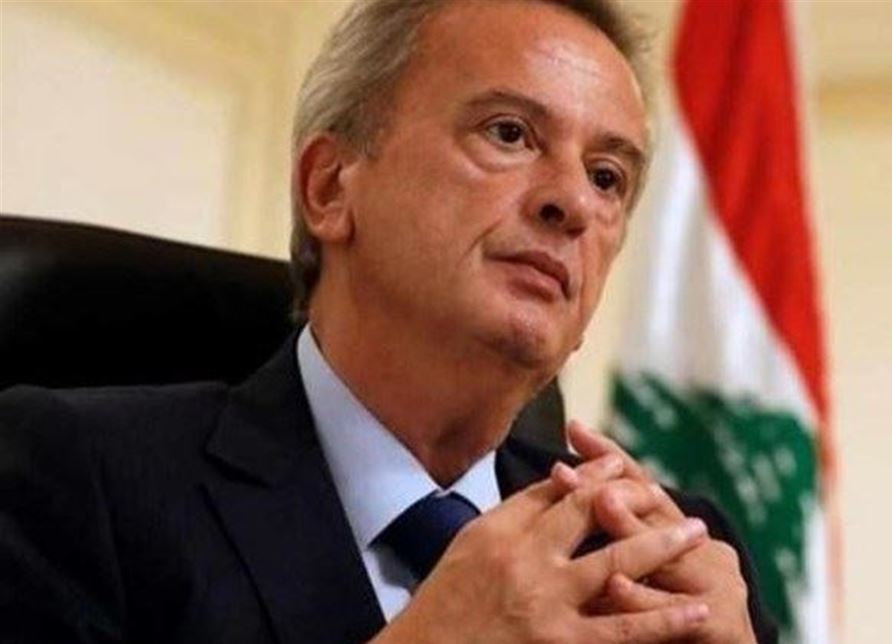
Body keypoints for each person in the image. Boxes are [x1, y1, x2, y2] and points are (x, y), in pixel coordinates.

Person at [0, 0, 778, 642]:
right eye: (509, 133)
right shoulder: (75, 476)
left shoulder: (663, 555)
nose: (573, 202)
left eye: (607, 178)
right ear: (331, 186)